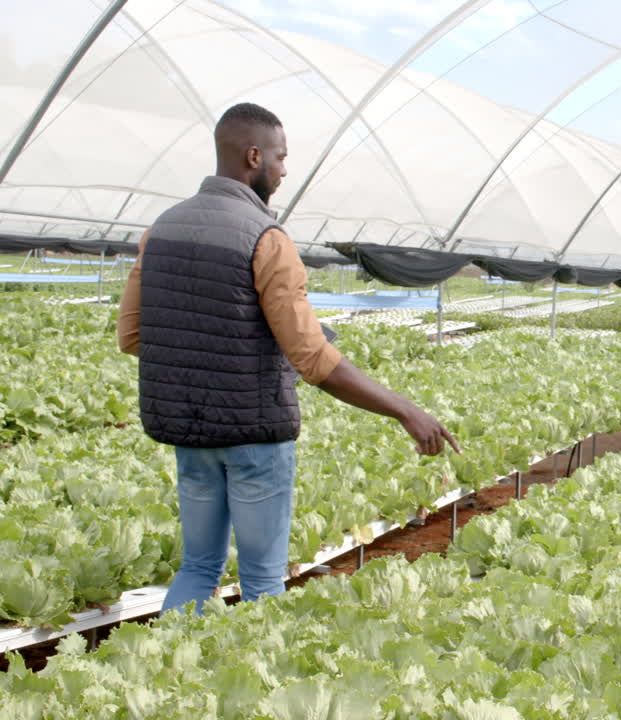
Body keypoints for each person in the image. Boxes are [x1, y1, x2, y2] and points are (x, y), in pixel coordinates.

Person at [117, 102, 460, 614]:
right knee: (260, 576)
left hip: (189, 436)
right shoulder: (266, 238)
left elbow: (134, 335)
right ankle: (255, 685)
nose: (283, 170)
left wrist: (216, 354)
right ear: (254, 156)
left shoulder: (160, 230)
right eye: (279, 157)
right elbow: (312, 359)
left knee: (198, 567)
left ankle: (168, 673)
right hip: (254, 436)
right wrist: (405, 410)